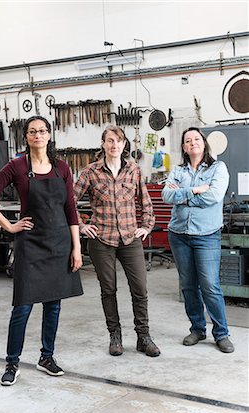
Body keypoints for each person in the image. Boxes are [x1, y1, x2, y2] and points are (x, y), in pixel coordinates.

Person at [0, 115, 83, 385]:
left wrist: (77, 248)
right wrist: (9, 226)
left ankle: (46, 357)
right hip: (31, 244)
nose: (38, 135)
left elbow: (70, 209)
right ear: (26, 137)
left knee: (54, 305)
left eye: (42, 130)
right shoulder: (16, 166)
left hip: (59, 243)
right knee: (22, 307)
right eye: (32, 131)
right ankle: (12, 362)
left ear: (49, 135)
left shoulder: (62, 168)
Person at [74, 125, 160, 357]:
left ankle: (143, 336)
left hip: (130, 238)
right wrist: (82, 226)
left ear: (124, 145)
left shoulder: (134, 170)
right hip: (102, 239)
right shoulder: (91, 172)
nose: (114, 145)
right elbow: (69, 201)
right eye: (110, 141)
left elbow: (145, 201)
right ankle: (115, 335)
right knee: (108, 289)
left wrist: (146, 226)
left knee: (140, 289)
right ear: (103, 144)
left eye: (119, 141)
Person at [162, 127, 234, 353]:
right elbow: (166, 196)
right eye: (187, 140)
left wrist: (183, 195)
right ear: (184, 147)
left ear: (203, 143)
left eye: (196, 139)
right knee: (188, 286)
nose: (192, 142)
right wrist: (195, 190)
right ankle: (197, 329)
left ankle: (221, 333)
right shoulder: (178, 170)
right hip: (179, 235)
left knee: (210, 286)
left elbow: (214, 196)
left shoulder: (218, 168)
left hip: (206, 235)